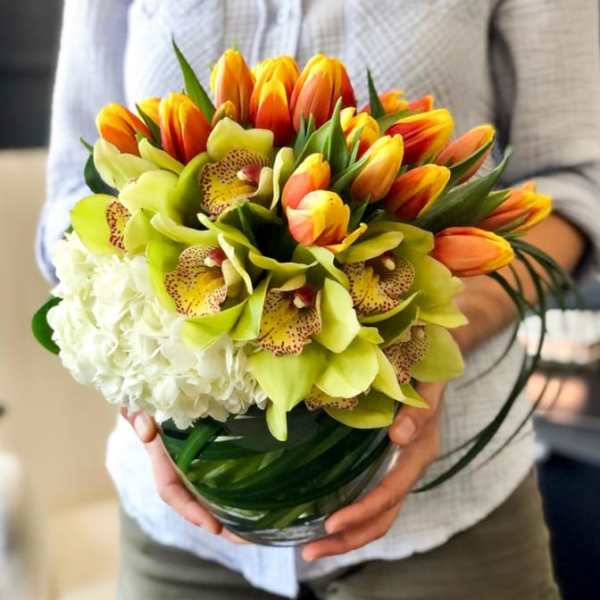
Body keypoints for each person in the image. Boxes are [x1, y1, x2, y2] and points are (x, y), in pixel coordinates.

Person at [37, 1, 600, 598]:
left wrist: (424, 345)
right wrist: (143, 383)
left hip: (445, 514)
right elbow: (76, 191)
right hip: (185, 529)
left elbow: (577, 185)